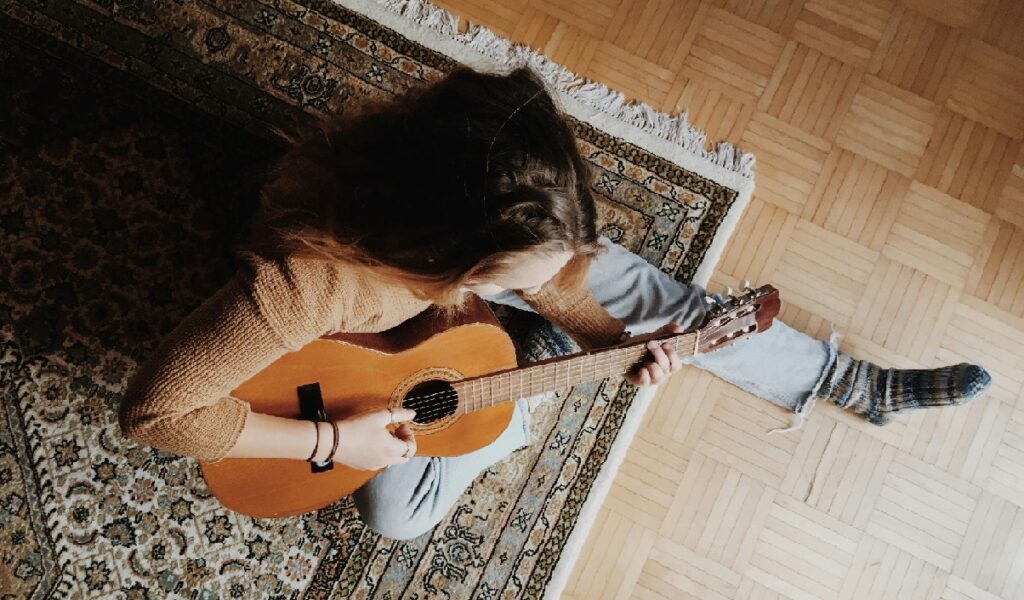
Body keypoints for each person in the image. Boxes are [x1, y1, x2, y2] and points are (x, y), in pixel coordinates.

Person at [119, 66, 992, 540]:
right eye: (516, 272)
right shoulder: (309, 286)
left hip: (451, 300)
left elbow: (565, 285)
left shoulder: (497, 186)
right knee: (399, 518)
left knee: (651, 302)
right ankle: (505, 399)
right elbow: (158, 413)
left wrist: (617, 343)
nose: (547, 278)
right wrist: (331, 439)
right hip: (355, 359)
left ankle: (843, 381)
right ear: (440, 253)